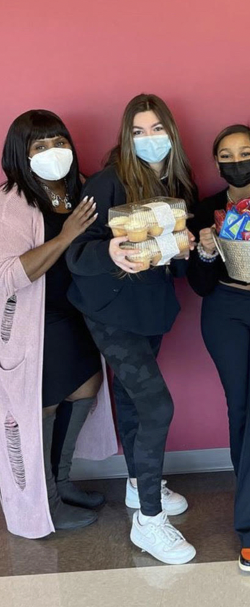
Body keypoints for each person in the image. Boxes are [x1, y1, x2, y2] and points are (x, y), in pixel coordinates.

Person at [66, 94, 198, 563]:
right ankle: (148, 522)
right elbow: (73, 251)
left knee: (131, 397)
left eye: (157, 129)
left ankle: (138, 484)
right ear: (126, 137)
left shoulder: (180, 182)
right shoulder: (106, 183)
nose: (149, 140)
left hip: (151, 311)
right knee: (156, 405)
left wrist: (189, 249)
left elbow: (179, 261)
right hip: (108, 310)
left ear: (172, 134)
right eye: (138, 132)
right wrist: (109, 253)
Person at [0, 110, 117, 539]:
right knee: (41, 406)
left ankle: (62, 482)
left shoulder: (81, 188)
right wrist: (65, 236)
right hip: (38, 322)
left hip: (78, 314)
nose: (54, 153)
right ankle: (44, 501)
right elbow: (7, 275)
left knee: (86, 385)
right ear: (20, 155)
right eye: (40, 146)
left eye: (59, 142)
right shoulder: (12, 202)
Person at [188, 125, 250, 573]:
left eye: (244, 153)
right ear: (217, 165)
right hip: (224, 311)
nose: (236, 161)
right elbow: (199, 285)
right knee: (241, 411)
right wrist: (206, 252)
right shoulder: (205, 209)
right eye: (225, 155)